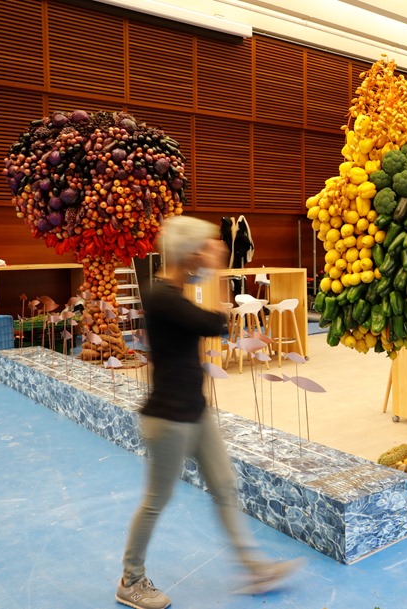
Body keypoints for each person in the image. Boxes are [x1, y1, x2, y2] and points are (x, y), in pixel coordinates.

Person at [116, 215, 301, 609]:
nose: (208, 254)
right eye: (203, 248)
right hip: (168, 418)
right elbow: (211, 322)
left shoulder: (177, 292)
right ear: (187, 254)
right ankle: (131, 580)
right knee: (156, 500)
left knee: (224, 487)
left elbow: (207, 321)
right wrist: (218, 271)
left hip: (195, 412)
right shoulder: (162, 295)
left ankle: (255, 568)